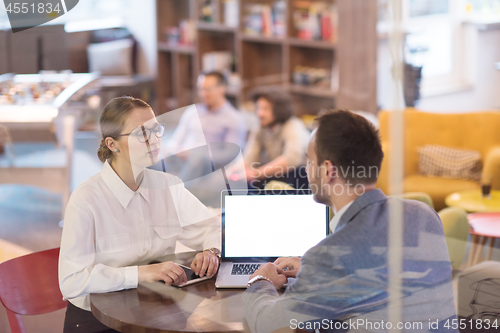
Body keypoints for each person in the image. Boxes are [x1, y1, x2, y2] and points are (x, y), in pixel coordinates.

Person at [243, 110, 458, 333]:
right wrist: (313, 275)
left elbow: (269, 326)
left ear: (327, 171)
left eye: (309, 161)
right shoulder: (424, 214)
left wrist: (260, 280)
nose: (306, 170)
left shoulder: (331, 256)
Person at [59, 96, 221, 333]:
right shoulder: (86, 199)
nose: (154, 140)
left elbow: (212, 228)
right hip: (99, 319)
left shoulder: (169, 186)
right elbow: (72, 281)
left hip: (157, 308)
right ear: (112, 144)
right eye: (142, 134)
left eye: (157, 130)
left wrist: (211, 251)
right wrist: (140, 273)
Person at [243, 87, 310, 189]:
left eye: (265, 109)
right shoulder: (260, 127)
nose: (259, 113)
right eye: (258, 108)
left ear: (279, 109)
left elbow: (292, 159)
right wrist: (234, 172)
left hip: (300, 179)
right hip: (278, 177)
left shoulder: (293, 126)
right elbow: (250, 157)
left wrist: (256, 173)